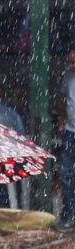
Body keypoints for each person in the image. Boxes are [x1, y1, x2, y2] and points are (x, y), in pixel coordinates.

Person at [57, 49, 75, 230]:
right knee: (66, 173)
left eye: (73, 62)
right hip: (70, 131)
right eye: (69, 62)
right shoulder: (68, 76)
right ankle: (69, 213)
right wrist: (62, 118)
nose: (71, 66)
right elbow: (63, 98)